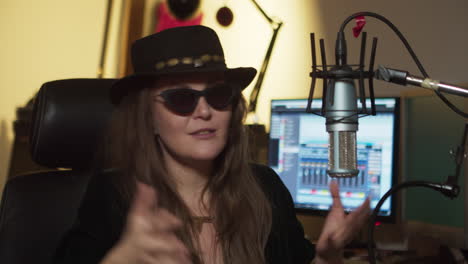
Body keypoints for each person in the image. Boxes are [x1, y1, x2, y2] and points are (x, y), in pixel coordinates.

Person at [54, 25, 370, 264]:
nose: (204, 111)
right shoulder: (113, 196)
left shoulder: (266, 188)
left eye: (218, 96)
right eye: (181, 98)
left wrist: (326, 258)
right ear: (148, 117)